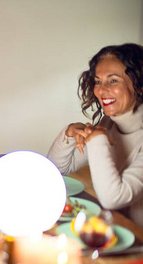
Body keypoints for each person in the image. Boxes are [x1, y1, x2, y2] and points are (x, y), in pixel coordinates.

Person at [47, 43, 143, 227]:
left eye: (113, 80)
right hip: (112, 228)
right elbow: (57, 171)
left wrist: (98, 140)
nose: (101, 90)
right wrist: (68, 135)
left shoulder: (105, 130)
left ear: (139, 86)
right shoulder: (109, 123)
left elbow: (113, 198)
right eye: (98, 81)